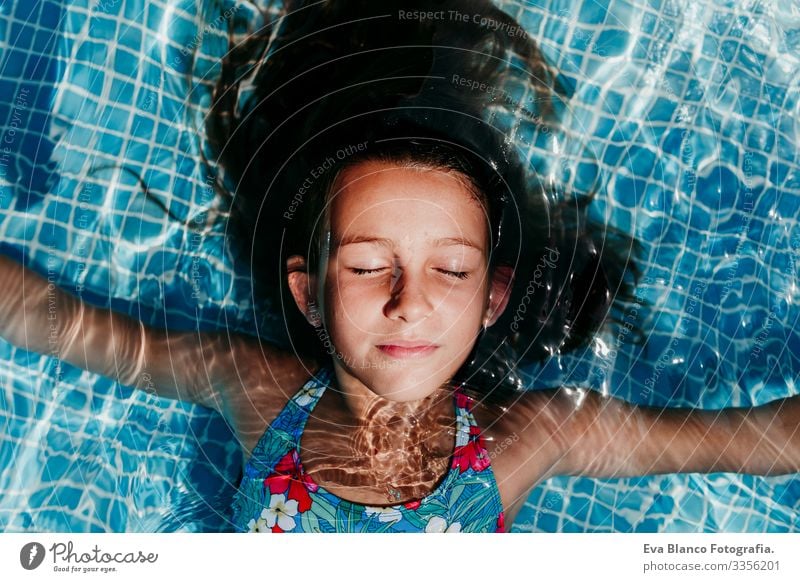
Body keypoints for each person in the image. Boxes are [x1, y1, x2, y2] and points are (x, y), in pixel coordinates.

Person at [0, 0, 797, 533]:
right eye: (368, 266)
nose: (409, 303)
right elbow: (48, 317)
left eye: (451, 271)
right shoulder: (253, 389)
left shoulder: (531, 438)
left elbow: (756, 441)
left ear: (493, 297)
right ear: (308, 294)